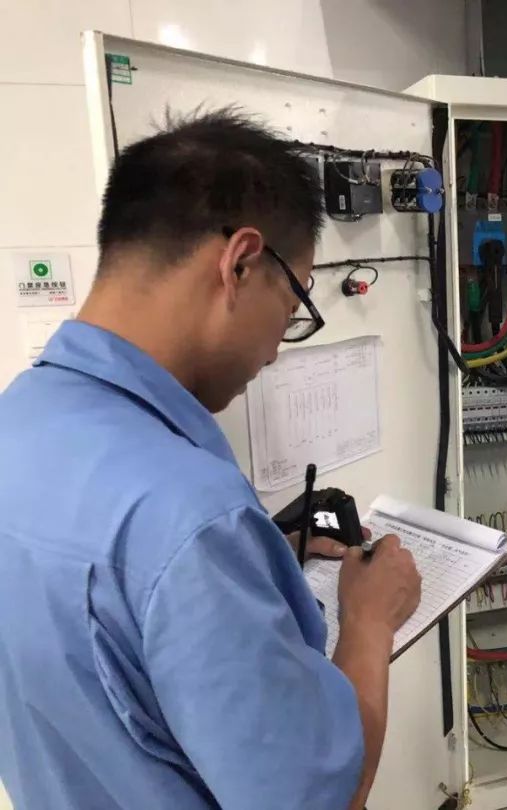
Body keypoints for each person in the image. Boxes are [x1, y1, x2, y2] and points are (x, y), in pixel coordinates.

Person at [0, 110, 421, 810]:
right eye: (293, 305)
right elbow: (322, 798)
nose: (276, 349)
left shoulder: (17, 420)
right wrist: (370, 622)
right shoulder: (191, 517)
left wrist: (252, 561)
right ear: (241, 263)